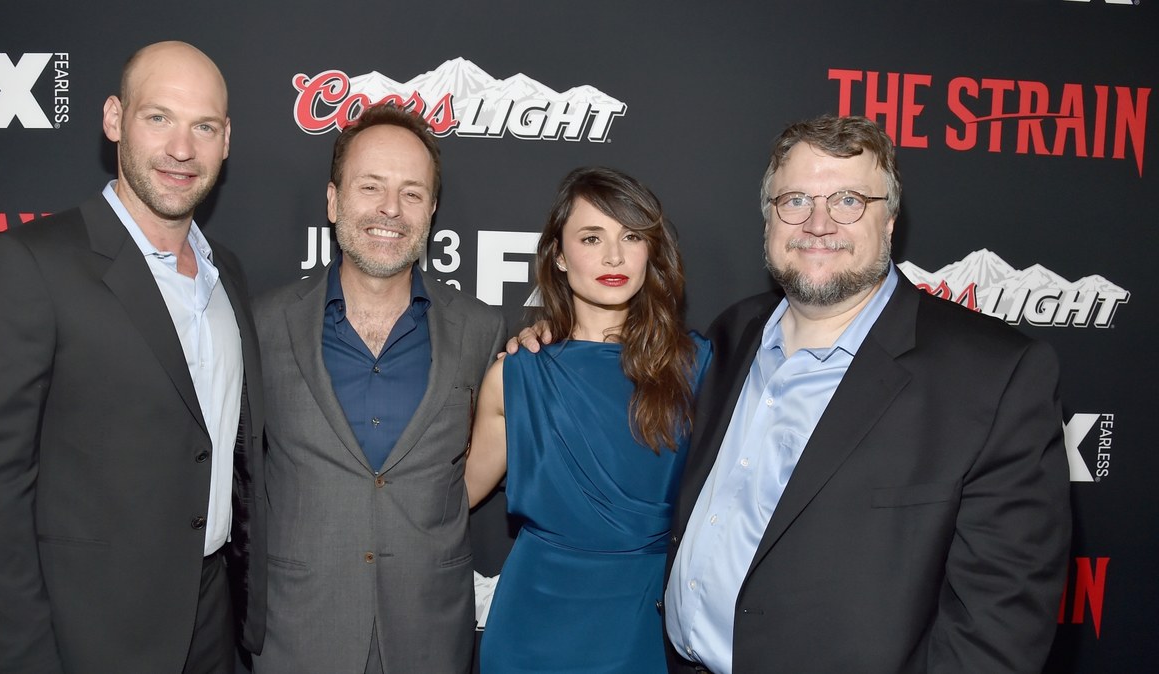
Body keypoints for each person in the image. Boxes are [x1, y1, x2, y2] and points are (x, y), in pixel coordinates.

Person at [662, 115, 1070, 673]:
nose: (819, 222)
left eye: (849, 200)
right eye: (796, 200)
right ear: (768, 220)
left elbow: (1000, 623)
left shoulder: (994, 377)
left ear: (891, 219)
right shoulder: (733, 335)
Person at [0, 41, 264, 674]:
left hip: (211, 623)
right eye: (159, 118)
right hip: (83, 636)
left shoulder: (228, 271)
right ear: (114, 118)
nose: (182, 148)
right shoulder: (28, 264)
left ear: (226, 140)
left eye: (203, 126)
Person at [252, 103, 506, 674]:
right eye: (371, 186)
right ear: (334, 200)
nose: (391, 209)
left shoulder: (482, 331)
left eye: (412, 193)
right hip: (297, 634)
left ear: (432, 210)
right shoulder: (262, 326)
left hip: (430, 636)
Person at [467, 167, 711, 673]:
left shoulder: (699, 368)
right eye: (591, 237)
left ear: (652, 251)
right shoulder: (518, 374)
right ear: (558, 254)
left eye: (632, 236)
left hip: (644, 620)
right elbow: (452, 499)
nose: (614, 257)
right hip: (532, 622)